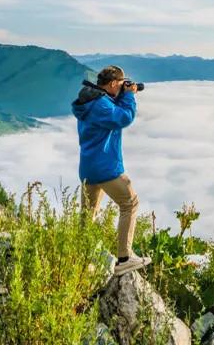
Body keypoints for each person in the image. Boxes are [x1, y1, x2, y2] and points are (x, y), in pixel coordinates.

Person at [72, 65, 149, 276]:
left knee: (88, 215)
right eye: (121, 84)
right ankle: (124, 257)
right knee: (129, 203)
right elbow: (123, 118)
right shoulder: (100, 104)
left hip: (88, 168)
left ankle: (80, 259)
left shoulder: (90, 102)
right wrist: (129, 97)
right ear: (114, 83)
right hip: (105, 167)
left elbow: (109, 109)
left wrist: (123, 95)